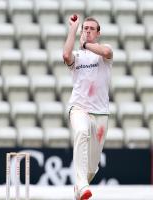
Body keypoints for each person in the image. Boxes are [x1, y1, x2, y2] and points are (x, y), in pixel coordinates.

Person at [63, 15, 113, 200]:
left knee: (92, 167)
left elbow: (106, 52)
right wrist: (73, 29)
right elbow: (65, 55)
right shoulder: (77, 56)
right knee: (81, 132)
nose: (88, 31)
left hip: (101, 114)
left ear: (98, 33)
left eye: (92, 29)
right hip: (79, 108)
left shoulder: (104, 52)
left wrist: (85, 45)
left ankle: (79, 188)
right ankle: (82, 185)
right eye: (85, 28)